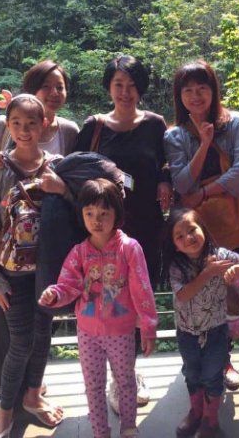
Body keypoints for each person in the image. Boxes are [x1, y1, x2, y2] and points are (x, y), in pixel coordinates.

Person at [0, 60, 79, 411]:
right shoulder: (3, 125)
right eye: (46, 86)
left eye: (60, 86)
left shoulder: (68, 131)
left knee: (40, 330)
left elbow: (75, 185)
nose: (54, 93)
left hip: (47, 253)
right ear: (31, 90)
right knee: (10, 328)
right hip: (5, 253)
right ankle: (4, 395)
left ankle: (31, 391)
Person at [75, 54, 171, 408]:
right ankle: (118, 377)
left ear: (140, 88)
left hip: (145, 226)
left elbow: (167, 161)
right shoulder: (95, 126)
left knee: (136, 297)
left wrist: (164, 178)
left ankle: (127, 371)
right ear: (109, 87)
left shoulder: (155, 124)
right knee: (108, 299)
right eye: (118, 84)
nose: (125, 92)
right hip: (103, 231)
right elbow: (75, 171)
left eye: (132, 85)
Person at [38, 178, 158, 438]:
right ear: (81, 214)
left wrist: (148, 327)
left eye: (104, 213)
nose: (97, 220)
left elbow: (142, 289)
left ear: (117, 214)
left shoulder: (129, 248)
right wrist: (54, 294)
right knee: (93, 386)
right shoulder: (79, 252)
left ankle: (128, 427)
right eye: (89, 213)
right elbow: (69, 284)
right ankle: (100, 432)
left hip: (121, 331)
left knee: (126, 382)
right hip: (87, 332)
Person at [0, 94, 69, 438]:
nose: (23, 130)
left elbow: (80, 209)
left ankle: (32, 396)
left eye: (31, 123)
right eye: (16, 123)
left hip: (49, 272)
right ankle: (5, 411)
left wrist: (62, 188)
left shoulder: (57, 164)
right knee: (20, 342)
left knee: (43, 334)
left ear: (44, 125)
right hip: (12, 274)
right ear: (7, 126)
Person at [164, 60, 239, 391]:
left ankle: (224, 358)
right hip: (196, 229)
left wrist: (204, 192)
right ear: (179, 96)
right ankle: (200, 363)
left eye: (202, 88)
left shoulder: (234, 123)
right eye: (187, 90)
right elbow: (181, 182)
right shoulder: (174, 135)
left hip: (231, 220)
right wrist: (203, 145)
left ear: (213, 90)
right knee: (202, 291)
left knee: (231, 289)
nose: (195, 95)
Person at [162, 207, 239, 438]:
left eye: (192, 230)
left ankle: (210, 419)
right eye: (179, 236)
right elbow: (183, 295)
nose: (188, 237)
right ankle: (196, 412)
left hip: (216, 331)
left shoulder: (221, 254)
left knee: (212, 375)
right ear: (175, 245)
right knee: (192, 373)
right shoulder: (177, 266)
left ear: (203, 229)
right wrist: (208, 272)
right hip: (187, 333)